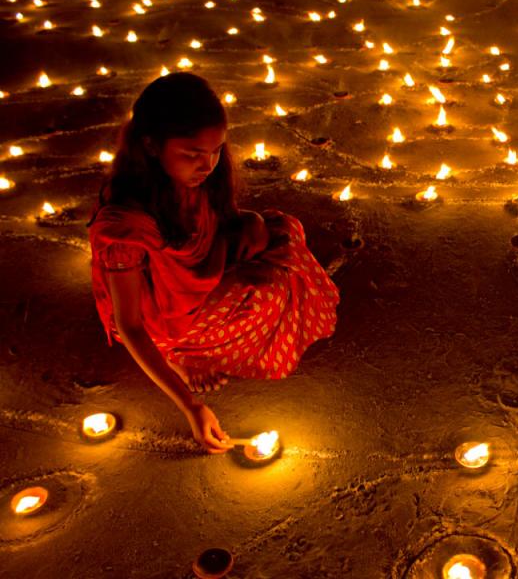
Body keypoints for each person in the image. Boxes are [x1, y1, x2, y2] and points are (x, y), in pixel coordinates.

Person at [88, 73, 340, 452]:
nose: (207, 165)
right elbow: (130, 325)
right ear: (151, 146)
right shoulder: (125, 226)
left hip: (195, 279)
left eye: (216, 151)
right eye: (192, 154)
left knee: (282, 233)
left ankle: (195, 343)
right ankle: (181, 356)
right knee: (267, 292)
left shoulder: (195, 178)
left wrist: (247, 225)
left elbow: (213, 221)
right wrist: (192, 407)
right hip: (161, 319)